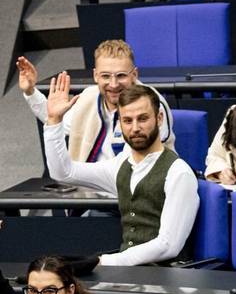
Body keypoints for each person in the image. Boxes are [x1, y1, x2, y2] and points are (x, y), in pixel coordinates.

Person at [44, 75, 199, 267]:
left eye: (142, 119)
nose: (135, 128)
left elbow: (168, 245)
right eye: (127, 120)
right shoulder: (120, 166)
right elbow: (64, 172)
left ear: (159, 119)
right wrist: (53, 121)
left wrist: (106, 261)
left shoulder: (178, 172)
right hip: (126, 273)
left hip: (167, 276)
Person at [17, 39, 174, 163]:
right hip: (91, 191)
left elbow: (140, 163)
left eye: (121, 75)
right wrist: (30, 92)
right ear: (95, 76)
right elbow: (57, 120)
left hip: (139, 191)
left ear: (134, 75)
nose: (113, 84)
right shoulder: (88, 97)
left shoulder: (150, 102)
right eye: (105, 76)